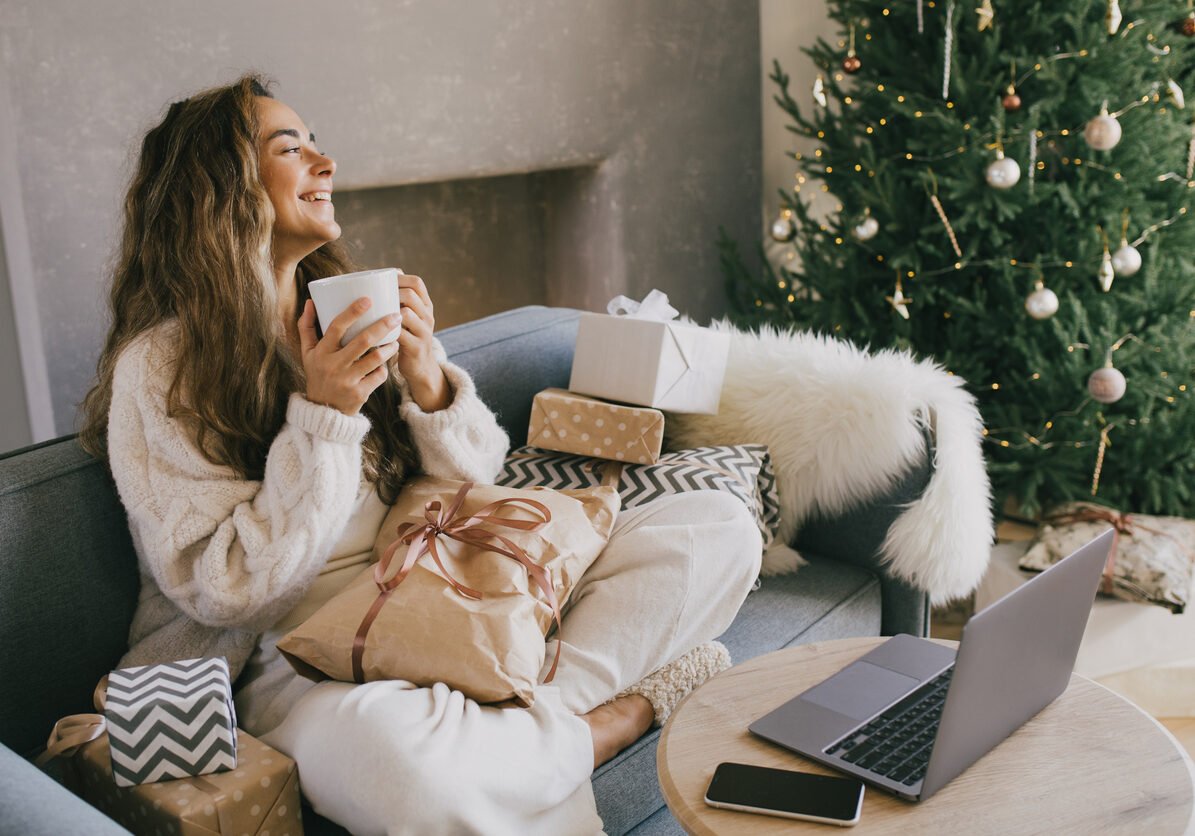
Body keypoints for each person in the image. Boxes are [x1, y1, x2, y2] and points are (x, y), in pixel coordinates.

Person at [80, 74, 762, 835]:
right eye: (290, 147)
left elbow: (476, 485)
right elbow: (232, 593)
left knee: (716, 527)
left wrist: (429, 383)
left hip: (436, 586)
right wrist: (324, 416)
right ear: (218, 187)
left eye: (316, 142)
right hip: (294, 658)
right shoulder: (161, 367)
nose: (325, 163)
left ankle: (524, 712)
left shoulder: (335, 307)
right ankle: (608, 722)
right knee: (406, 769)